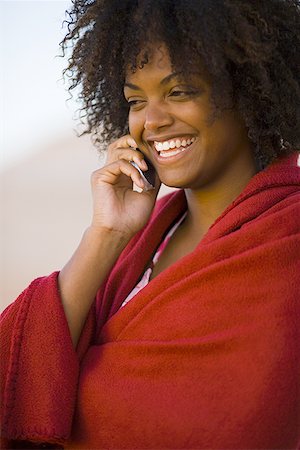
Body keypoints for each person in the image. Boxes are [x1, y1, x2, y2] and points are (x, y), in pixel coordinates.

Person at [1, 0, 300, 448]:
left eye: (179, 91)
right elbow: (15, 371)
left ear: (251, 89)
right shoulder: (141, 243)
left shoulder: (288, 241)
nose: (152, 122)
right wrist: (106, 236)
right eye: (136, 100)